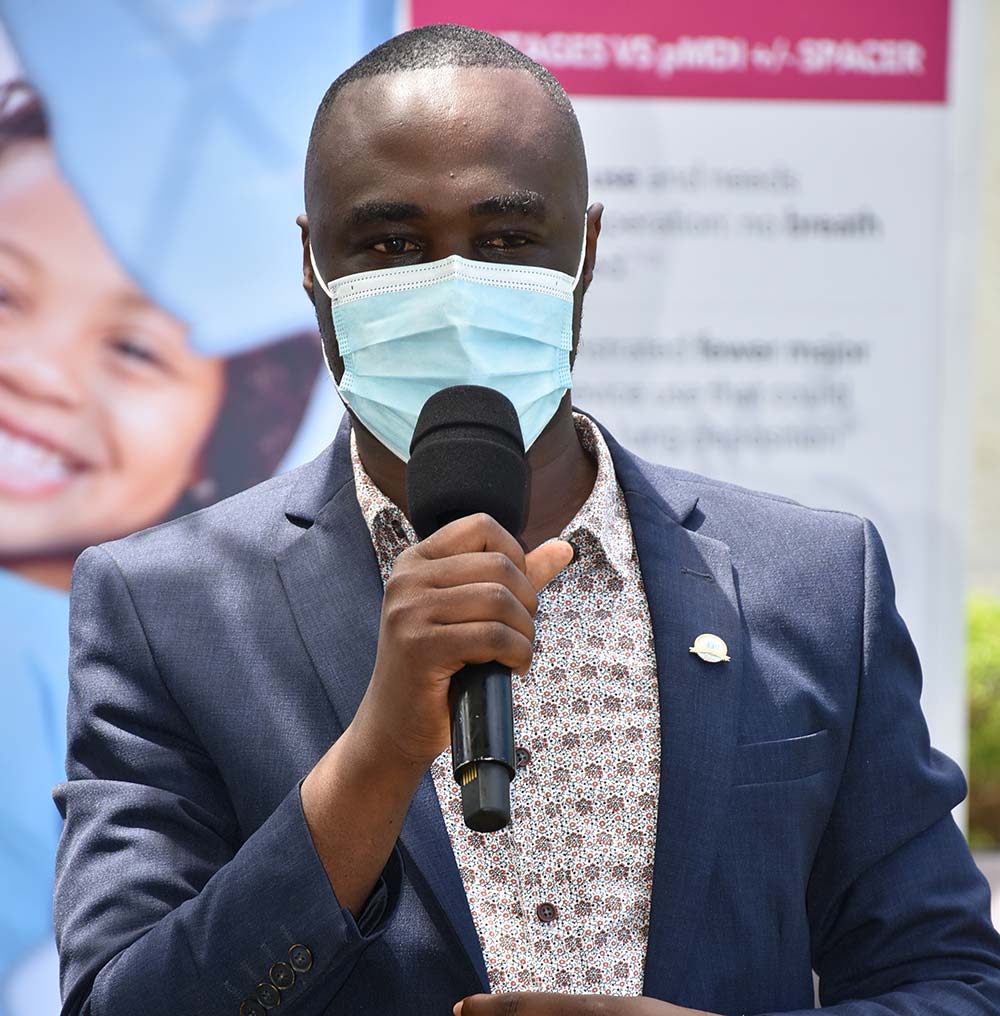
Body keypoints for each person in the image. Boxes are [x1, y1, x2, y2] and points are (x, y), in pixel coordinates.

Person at [54, 25, 1000, 1016]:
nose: (454, 287)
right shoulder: (164, 607)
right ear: (310, 262)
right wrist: (372, 760)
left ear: (585, 251)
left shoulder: (810, 582)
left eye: (506, 239)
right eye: (391, 243)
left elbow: (946, 978)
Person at [0, 80, 320, 1014]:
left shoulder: (254, 659)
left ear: (239, 414)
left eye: (135, 350)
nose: (38, 371)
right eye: (3, 292)